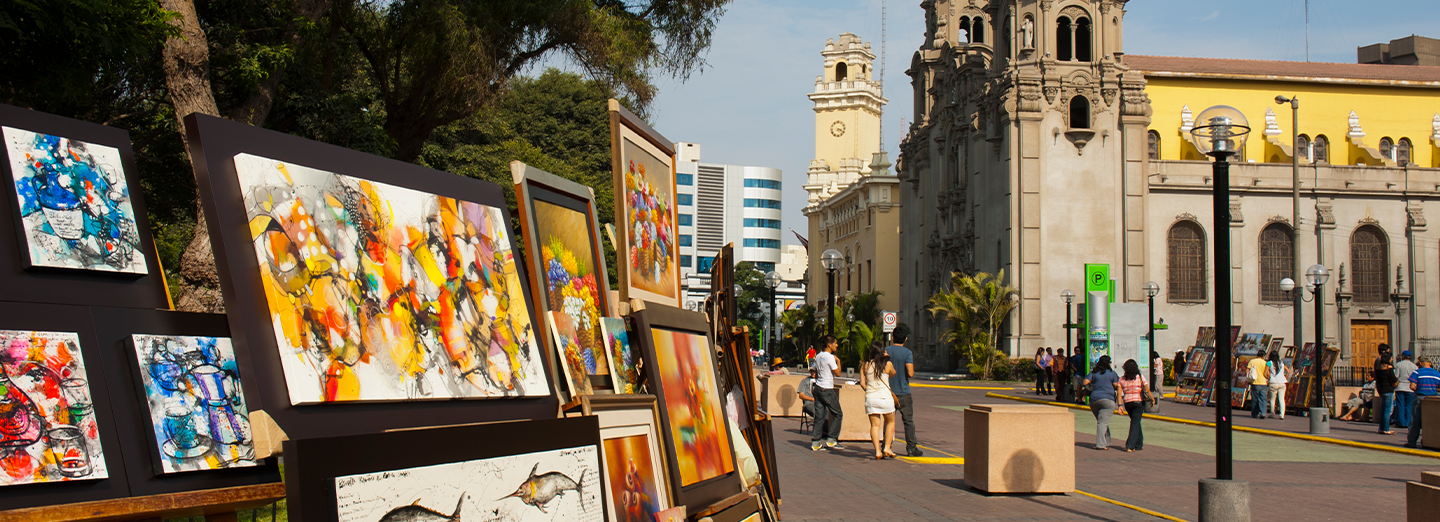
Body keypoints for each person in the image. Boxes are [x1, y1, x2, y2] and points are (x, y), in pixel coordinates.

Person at [887, 326, 923, 457]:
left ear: (892, 338)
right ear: (906, 339)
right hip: (903, 391)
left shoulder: (886, 351)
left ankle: (886, 446)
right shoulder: (907, 353)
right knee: (908, 421)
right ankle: (911, 448)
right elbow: (911, 373)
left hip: (889, 392)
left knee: (888, 420)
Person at [860, 342, 897, 460]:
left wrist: (869, 391)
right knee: (890, 422)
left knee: (875, 425)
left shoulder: (865, 365)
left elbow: (862, 383)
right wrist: (887, 358)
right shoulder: (888, 364)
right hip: (886, 398)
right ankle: (887, 447)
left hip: (871, 398)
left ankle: (877, 451)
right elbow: (893, 374)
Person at [810, 336, 844, 451]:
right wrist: (838, 361)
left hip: (818, 388)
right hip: (827, 388)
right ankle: (832, 439)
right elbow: (838, 373)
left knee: (819, 416)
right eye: (835, 343)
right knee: (838, 413)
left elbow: (815, 371)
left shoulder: (818, 356)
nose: (837, 345)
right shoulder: (830, 358)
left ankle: (815, 442)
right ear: (829, 345)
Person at [1083, 356, 1121, 450]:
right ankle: (1101, 444)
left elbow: (1084, 382)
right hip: (1108, 400)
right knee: (1102, 422)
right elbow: (1116, 385)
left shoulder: (1094, 373)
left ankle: (1107, 441)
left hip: (1094, 400)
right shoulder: (1112, 373)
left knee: (1102, 421)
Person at [1118, 359, 1152, 452]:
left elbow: (1119, 393)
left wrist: (1120, 405)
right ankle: (1130, 445)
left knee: (1136, 421)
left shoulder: (1122, 379)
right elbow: (1147, 389)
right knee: (1135, 422)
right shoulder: (1140, 377)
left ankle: (1139, 444)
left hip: (1127, 402)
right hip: (1138, 402)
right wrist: (1152, 398)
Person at [1405, 360, 1440, 448]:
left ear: (1420, 363)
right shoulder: (1436, 373)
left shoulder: (1417, 372)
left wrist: (1419, 389)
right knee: (1430, 421)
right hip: (1432, 398)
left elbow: (1412, 386)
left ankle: (1412, 442)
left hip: (1420, 397)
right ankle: (1428, 440)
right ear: (1430, 363)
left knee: (1415, 420)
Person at [1375, 347, 1399, 435]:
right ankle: (1385, 428)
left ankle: (1381, 428)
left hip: (1381, 389)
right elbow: (1393, 378)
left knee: (1382, 409)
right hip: (1388, 389)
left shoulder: (1379, 367)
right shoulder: (1389, 367)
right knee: (1387, 410)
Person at [1395, 350, 1418, 429]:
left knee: (1400, 405)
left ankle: (1401, 422)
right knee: (1409, 406)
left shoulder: (1399, 364)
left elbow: (1396, 376)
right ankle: (1408, 422)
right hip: (1410, 387)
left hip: (1400, 386)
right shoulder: (1414, 366)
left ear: (1403, 356)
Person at [1266, 351, 1289, 419]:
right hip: (1282, 383)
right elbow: (1288, 371)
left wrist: (1268, 379)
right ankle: (1282, 415)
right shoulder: (1281, 363)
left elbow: (1265, 373)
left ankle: (1272, 413)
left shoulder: (1269, 363)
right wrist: (1285, 378)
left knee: (1272, 399)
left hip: (1273, 382)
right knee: (1281, 399)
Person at [1247, 353, 1270, 419]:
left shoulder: (1252, 361)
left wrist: (1248, 380)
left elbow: (1247, 371)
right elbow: (1267, 373)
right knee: (1263, 399)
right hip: (1263, 383)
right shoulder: (1265, 363)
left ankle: (1255, 413)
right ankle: (1263, 413)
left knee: (1255, 399)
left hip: (1255, 383)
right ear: (1263, 356)